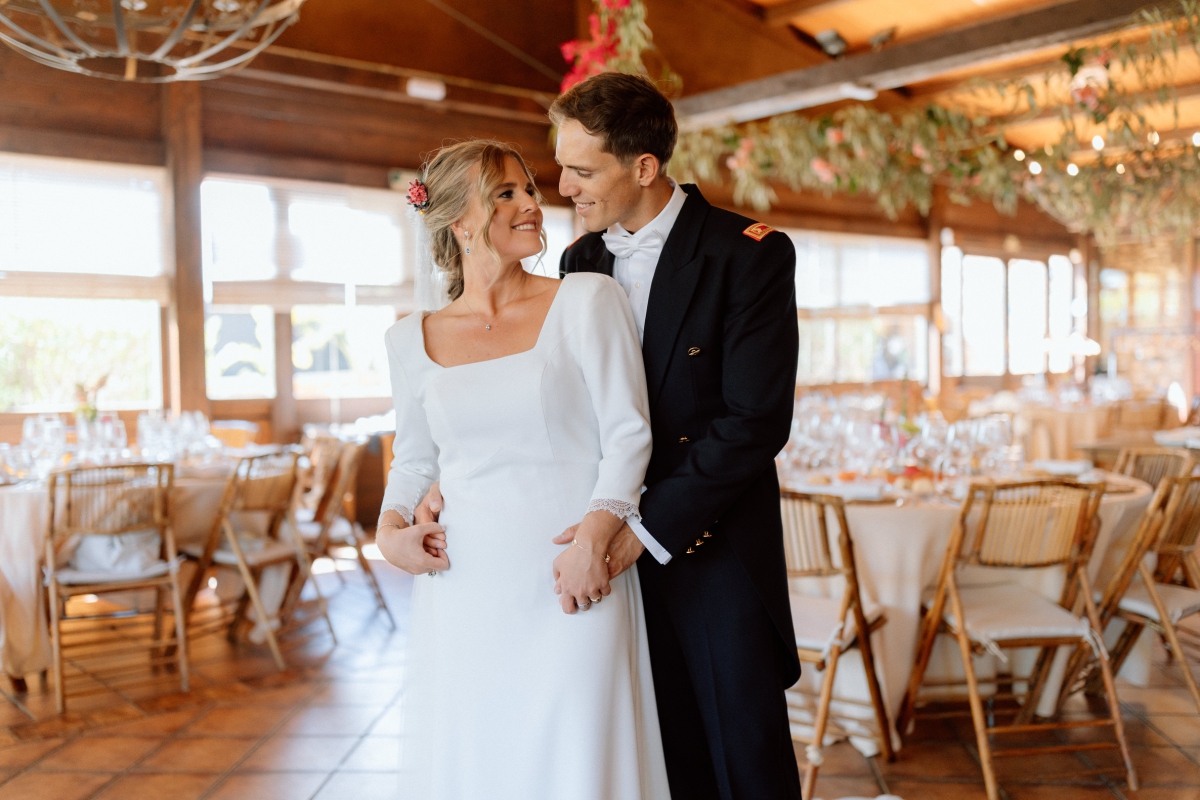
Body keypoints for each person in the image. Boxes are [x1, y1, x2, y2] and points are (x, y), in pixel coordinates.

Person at [374, 139, 671, 800]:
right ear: (460, 222)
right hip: (467, 584)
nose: (533, 204)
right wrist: (390, 531)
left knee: (581, 754)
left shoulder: (587, 300)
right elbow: (416, 458)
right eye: (505, 194)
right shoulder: (408, 338)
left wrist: (597, 537)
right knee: (484, 756)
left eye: (529, 189)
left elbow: (628, 434)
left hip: (572, 575)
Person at [554, 73, 802, 800]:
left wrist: (645, 529)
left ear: (642, 167)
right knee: (654, 754)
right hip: (607, 551)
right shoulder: (580, 263)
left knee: (742, 759)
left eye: (582, 170)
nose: (564, 186)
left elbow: (755, 421)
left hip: (713, 549)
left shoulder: (749, 254)